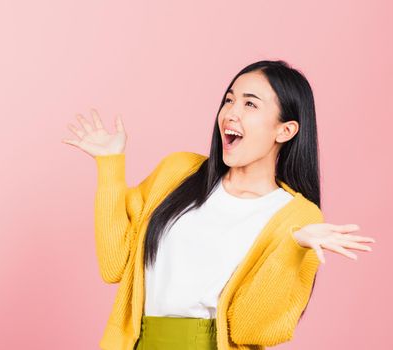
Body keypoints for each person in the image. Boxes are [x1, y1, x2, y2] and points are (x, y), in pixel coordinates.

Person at [62, 60, 376, 350]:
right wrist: (109, 166)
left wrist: (291, 249)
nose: (230, 113)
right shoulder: (178, 173)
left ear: (286, 130)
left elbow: (248, 330)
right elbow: (114, 264)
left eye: (250, 103)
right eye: (229, 100)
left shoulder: (296, 217)